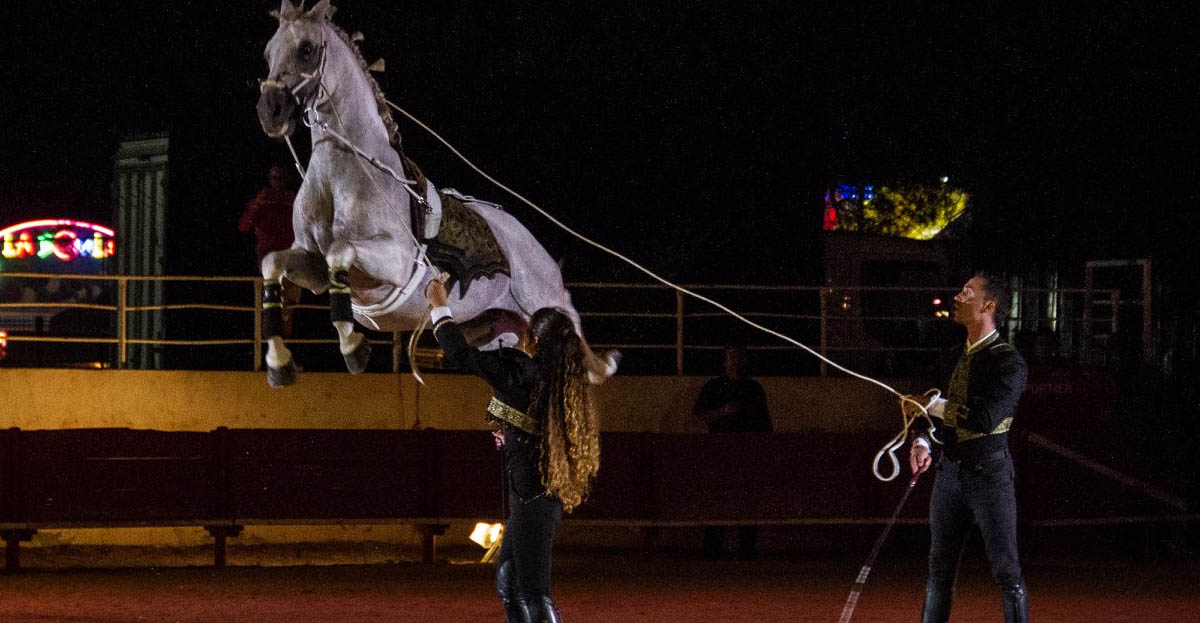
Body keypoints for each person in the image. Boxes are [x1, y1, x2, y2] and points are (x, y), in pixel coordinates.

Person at [426, 279, 600, 623]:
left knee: (533, 590)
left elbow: (459, 354)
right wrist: (511, 429)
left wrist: (439, 305)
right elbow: (535, 422)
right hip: (535, 494)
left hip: (533, 497)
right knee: (509, 582)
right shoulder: (559, 377)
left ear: (534, 338)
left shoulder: (520, 369)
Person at [906, 272, 1029, 623]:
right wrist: (921, 441)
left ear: (987, 306)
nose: (957, 296)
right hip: (949, 473)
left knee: (1006, 572)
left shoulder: (1009, 362)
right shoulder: (949, 357)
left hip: (989, 475)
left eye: (967, 292)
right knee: (938, 573)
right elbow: (928, 412)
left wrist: (930, 407)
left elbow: (985, 418)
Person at [691, 344, 771, 559]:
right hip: (720, 454)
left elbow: (765, 424)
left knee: (748, 500)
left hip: (748, 454)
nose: (735, 363)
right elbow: (697, 415)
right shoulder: (714, 387)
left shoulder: (754, 388)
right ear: (725, 362)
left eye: (739, 359)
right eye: (731, 359)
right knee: (718, 498)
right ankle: (713, 549)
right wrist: (722, 411)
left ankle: (745, 549)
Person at [239, 165, 301, 334]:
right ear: (270, 179)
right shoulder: (262, 201)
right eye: (275, 179)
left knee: (289, 306)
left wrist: (296, 204)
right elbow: (243, 226)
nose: (278, 184)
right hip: (268, 259)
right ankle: (272, 345)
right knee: (272, 303)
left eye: (281, 179)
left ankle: (284, 346)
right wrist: (258, 203)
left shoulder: (292, 200)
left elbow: (307, 226)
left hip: (290, 258)